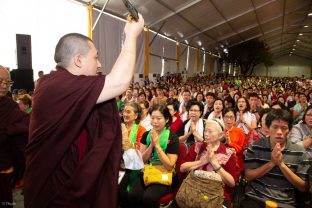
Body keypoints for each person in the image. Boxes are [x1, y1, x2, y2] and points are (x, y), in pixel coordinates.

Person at [23, 14, 144, 208]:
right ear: (78, 60)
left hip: (79, 185)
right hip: (55, 192)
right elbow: (119, 82)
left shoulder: (69, 86)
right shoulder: (56, 86)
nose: (99, 64)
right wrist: (131, 35)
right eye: (96, 57)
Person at [242, 109, 311, 208]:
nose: (279, 132)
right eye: (275, 127)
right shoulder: (255, 146)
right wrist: (272, 163)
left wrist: (281, 165)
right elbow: (248, 176)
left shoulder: (300, 152)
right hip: (256, 198)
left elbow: (303, 187)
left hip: (285, 203)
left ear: (290, 130)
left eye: (284, 128)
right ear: (268, 128)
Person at [122, 104, 179, 208]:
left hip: (164, 174)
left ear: (166, 119)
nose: (155, 122)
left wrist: (157, 146)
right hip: (147, 171)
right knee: (133, 195)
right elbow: (141, 161)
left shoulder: (173, 138)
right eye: (152, 118)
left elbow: (170, 165)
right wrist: (151, 145)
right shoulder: (147, 135)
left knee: (148, 198)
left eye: (159, 118)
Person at [180, 119, 239, 207]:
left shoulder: (228, 153)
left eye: (210, 131)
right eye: (205, 130)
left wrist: (215, 164)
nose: (206, 134)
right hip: (194, 190)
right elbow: (182, 168)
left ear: (221, 135)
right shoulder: (197, 146)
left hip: (215, 196)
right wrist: (203, 161)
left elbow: (231, 183)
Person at [0, 66, 29, 207]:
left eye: (7, 82)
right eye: (0, 81)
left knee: (5, 202)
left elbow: (21, 131)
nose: (4, 86)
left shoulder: (11, 106)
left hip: (4, 167)